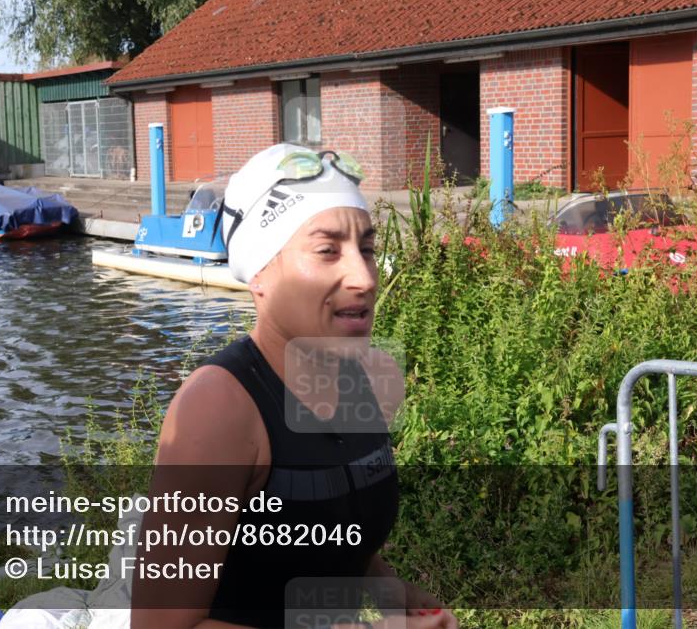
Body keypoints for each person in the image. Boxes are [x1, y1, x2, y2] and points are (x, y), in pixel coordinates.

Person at [131, 144, 457, 629]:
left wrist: (392, 592)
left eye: (367, 249)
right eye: (328, 251)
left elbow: (328, 533)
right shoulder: (219, 409)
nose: (365, 277)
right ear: (260, 273)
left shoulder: (365, 378)